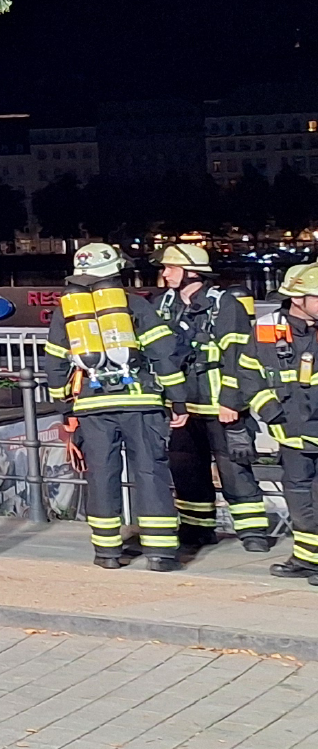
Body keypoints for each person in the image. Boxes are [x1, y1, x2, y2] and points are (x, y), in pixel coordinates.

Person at [46, 242, 190, 569]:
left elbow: (55, 364)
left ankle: (107, 553)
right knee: (150, 472)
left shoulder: (66, 312)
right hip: (141, 401)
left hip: (93, 406)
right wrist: (178, 400)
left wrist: (64, 408)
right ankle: (161, 553)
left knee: (102, 475)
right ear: (116, 271)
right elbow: (163, 354)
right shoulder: (136, 306)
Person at [154, 243, 273, 553]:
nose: (164, 273)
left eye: (171, 268)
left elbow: (238, 357)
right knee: (186, 470)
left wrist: (232, 402)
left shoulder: (225, 306)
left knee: (234, 469)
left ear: (191, 272)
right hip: (181, 407)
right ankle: (196, 529)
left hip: (221, 406)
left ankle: (252, 532)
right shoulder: (163, 304)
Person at [241, 265, 318, 579]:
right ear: (298, 298)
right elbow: (248, 374)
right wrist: (273, 414)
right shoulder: (266, 328)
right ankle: (307, 558)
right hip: (292, 433)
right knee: (298, 498)